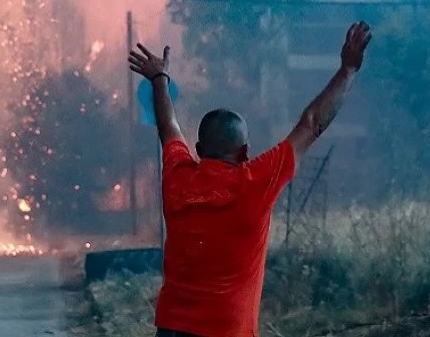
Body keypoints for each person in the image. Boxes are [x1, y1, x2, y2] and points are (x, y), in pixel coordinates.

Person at [128, 21, 372, 337]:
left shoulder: (178, 179)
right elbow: (312, 124)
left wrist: (159, 79)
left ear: (199, 149)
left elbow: (168, 127)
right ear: (244, 151)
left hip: (172, 328)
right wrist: (347, 71)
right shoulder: (254, 183)